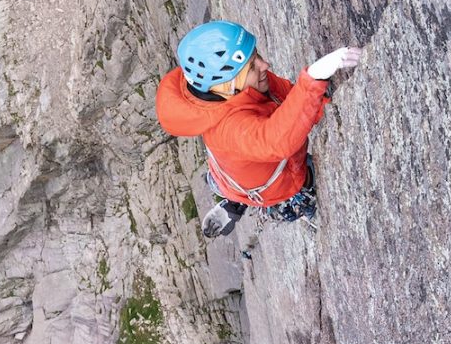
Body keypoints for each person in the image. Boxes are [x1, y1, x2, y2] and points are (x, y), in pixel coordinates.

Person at [155, 20, 361, 237]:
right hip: (267, 182)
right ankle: (249, 202)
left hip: (236, 170)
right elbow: (274, 141)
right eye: (253, 65)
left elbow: (289, 99)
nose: (265, 65)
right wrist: (313, 81)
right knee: (302, 188)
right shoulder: (228, 131)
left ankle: (232, 199)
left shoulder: (240, 84)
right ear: (225, 84)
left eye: (257, 56)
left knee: (238, 178)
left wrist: (324, 102)